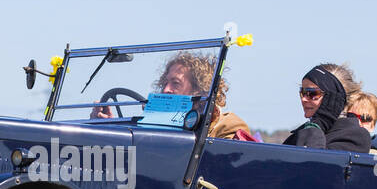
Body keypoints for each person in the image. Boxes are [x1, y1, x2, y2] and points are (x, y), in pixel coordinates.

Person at [93, 52, 255, 140]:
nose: (166, 90)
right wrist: (108, 127)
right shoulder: (155, 124)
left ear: (199, 91)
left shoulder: (229, 126)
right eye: (165, 83)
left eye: (175, 83)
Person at [282, 63, 371, 152]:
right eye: (303, 92)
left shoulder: (355, 136)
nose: (304, 99)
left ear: (334, 98)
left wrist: (319, 122)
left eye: (312, 93)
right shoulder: (302, 132)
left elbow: (313, 161)